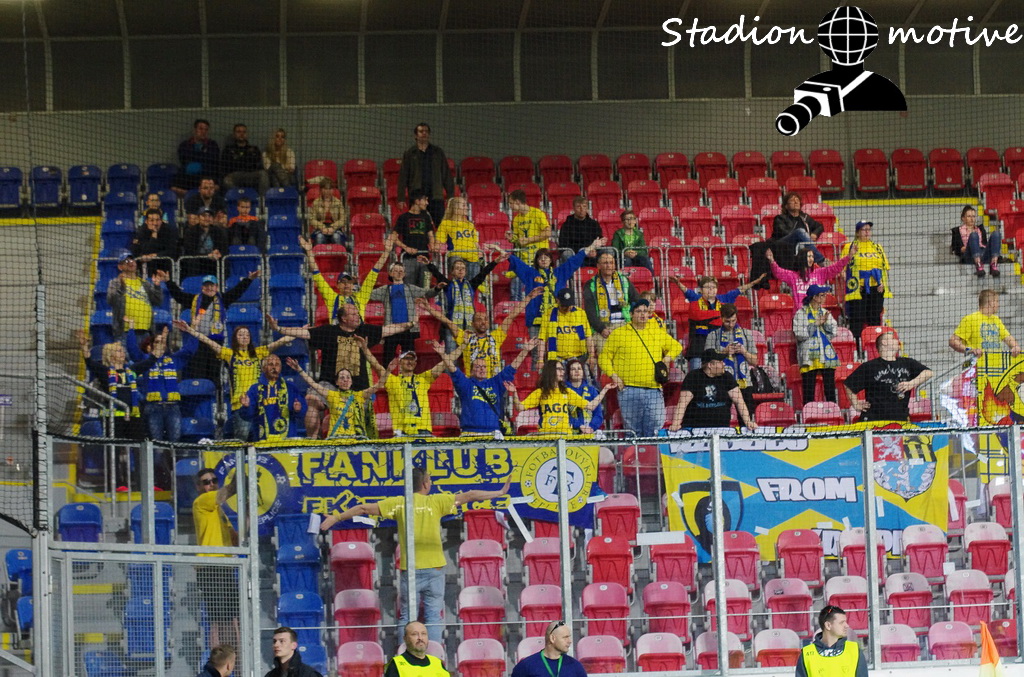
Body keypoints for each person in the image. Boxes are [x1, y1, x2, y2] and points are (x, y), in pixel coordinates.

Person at [320, 467, 510, 644]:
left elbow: (362, 508)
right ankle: (433, 657)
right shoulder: (436, 502)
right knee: (433, 616)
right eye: (430, 480)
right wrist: (499, 493)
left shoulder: (399, 504)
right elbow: (470, 495)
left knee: (407, 617)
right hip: (434, 568)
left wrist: (337, 517)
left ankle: (406, 656)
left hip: (410, 570)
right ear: (425, 483)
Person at [268, 305, 411, 435]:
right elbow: (303, 333)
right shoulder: (329, 331)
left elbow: (389, 329)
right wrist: (278, 328)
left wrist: (411, 324)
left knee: (353, 419)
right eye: (353, 314)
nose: (358, 316)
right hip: (330, 384)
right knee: (311, 401)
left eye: (357, 313)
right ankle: (312, 441)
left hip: (357, 388)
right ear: (343, 318)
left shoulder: (365, 331)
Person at [175, 321, 294, 441]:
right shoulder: (230, 354)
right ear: (235, 338)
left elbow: (280, 342)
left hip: (260, 405)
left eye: (247, 335)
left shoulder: (258, 352)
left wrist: (299, 332)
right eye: (241, 335)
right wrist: (190, 330)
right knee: (242, 441)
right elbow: (208, 341)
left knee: (262, 440)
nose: (244, 337)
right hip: (240, 405)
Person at [598, 299, 683, 438]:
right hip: (629, 390)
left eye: (645, 311)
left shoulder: (656, 332)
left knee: (656, 430)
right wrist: (614, 376)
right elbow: (604, 358)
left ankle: (653, 453)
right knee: (633, 432)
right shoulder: (619, 334)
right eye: (638, 311)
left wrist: (666, 360)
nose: (643, 314)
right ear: (631, 314)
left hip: (654, 390)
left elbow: (677, 346)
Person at [417, 290, 539, 379]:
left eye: (485, 319)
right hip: (472, 383)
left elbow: (511, 316)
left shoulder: (496, 336)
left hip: (493, 382)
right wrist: (428, 307)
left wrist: (528, 297)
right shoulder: (465, 338)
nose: (483, 322)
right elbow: (447, 321)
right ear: (473, 324)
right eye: (479, 320)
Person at [166, 271, 259, 385]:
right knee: (197, 372)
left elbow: (237, 291)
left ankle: (216, 394)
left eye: (212, 285)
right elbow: (178, 295)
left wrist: (249, 279)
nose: (209, 288)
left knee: (214, 374)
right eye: (207, 285)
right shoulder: (194, 299)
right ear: (202, 287)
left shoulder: (223, 299)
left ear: (217, 287)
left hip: (215, 344)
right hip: (198, 342)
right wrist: (168, 281)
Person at [507, 237, 606, 337]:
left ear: (551, 260)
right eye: (540, 258)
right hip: (535, 321)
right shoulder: (530, 274)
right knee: (536, 347)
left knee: (555, 346)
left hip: (556, 319)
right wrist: (505, 254)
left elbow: (574, 261)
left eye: (546, 257)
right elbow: (517, 263)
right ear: (537, 261)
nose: (543, 259)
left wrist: (592, 246)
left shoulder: (559, 273)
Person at [125, 324, 198, 460]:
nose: (161, 344)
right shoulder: (145, 360)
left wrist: (192, 329)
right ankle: (157, 470)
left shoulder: (173, 359)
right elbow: (132, 349)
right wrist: (130, 329)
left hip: (173, 407)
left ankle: (173, 469)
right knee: (156, 445)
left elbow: (190, 350)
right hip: (153, 408)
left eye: (163, 342)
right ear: (150, 346)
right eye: (157, 342)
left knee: (174, 445)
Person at [288, 348, 389, 439]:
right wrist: (299, 369)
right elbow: (312, 383)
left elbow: (379, 384)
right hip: (335, 440)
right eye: (342, 378)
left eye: (348, 377)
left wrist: (388, 370)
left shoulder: (359, 396)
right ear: (337, 382)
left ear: (351, 381)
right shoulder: (332, 395)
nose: (345, 380)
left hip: (353, 440)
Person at [446, 339, 539, 437]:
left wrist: (525, 351)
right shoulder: (466, 384)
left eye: (484, 366)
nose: (482, 369)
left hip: (493, 434)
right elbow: (453, 369)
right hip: (470, 433)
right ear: (471, 371)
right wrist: (442, 354)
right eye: (477, 367)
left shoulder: (495, 383)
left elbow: (512, 368)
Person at [193, 469, 239, 649]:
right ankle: (219, 657)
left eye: (214, 480)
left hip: (225, 565)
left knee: (233, 616)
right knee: (218, 619)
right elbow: (228, 491)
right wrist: (241, 477)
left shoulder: (220, 512)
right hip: (210, 565)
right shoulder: (201, 501)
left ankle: (234, 657)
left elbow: (235, 538)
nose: (211, 484)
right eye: (206, 482)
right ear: (199, 487)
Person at [301, 233, 391, 324]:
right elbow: (316, 273)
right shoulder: (331, 297)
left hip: (358, 332)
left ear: (353, 285)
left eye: (349, 282)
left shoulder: (361, 297)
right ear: (338, 285)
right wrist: (309, 252)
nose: (346, 284)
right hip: (337, 332)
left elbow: (374, 272)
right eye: (343, 282)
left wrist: (387, 251)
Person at [678, 275, 762, 371]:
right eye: (707, 287)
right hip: (698, 349)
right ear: (700, 290)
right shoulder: (695, 301)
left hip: (717, 348)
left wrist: (753, 283)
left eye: (713, 287)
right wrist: (719, 314)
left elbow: (738, 290)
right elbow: (696, 313)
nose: (711, 290)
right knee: (696, 376)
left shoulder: (723, 300)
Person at [508, 360, 612, 436]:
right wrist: (515, 393)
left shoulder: (566, 391)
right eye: (559, 369)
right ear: (551, 371)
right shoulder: (540, 392)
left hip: (565, 435)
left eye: (563, 369)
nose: (562, 372)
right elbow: (520, 407)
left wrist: (605, 389)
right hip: (546, 436)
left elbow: (591, 406)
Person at [845, 332, 933, 422]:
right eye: (893, 338)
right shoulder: (869, 366)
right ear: (884, 342)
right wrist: (855, 404)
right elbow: (849, 385)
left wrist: (911, 383)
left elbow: (928, 372)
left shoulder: (907, 363)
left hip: (900, 419)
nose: (897, 341)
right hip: (874, 420)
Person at [426, 251, 504, 349]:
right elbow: (437, 274)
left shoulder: (472, 284)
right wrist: (428, 264)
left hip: (470, 326)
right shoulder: (448, 285)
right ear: (452, 272)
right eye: (457, 268)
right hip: (452, 326)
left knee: (471, 353)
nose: (460, 270)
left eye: (463, 268)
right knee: (451, 353)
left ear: (466, 272)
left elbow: (484, 273)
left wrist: (495, 261)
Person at [369, 259, 442, 361]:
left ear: (404, 274)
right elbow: (367, 294)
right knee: (388, 359)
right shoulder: (384, 290)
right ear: (390, 273)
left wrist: (437, 288)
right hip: (391, 330)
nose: (399, 273)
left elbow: (427, 293)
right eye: (396, 271)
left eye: (401, 271)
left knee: (409, 359)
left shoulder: (410, 288)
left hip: (408, 329)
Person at [669, 349, 756, 431]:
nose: (724, 364)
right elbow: (682, 403)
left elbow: (739, 402)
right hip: (695, 430)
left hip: (722, 430)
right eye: (720, 362)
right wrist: (676, 424)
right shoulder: (693, 377)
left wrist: (748, 422)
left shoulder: (726, 377)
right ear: (710, 365)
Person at [384, 342, 458, 437]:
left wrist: (463, 345)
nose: (410, 362)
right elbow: (376, 365)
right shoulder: (392, 380)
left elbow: (445, 363)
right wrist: (366, 350)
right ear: (400, 362)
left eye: (412, 359)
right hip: (402, 432)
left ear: (415, 363)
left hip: (423, 430)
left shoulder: (423, 378)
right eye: (406, 358)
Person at [841, 221, 891, 344]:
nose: (867, 232)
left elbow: (884, 268)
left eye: (869, 229)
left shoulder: (877, 247)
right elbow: (842, 270)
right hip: (859, 289)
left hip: (876, 289)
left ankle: (875, 345)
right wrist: (852, 285)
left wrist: (882, 283)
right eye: (864, 229)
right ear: (858, 232)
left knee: (875, 319)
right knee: (857, 319)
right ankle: (857, 346)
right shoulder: (849, 247)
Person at [706, 303, 759, 417]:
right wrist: (724, 352)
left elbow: (755, 361)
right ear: (721, 318)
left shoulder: (747, 334)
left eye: (733, 321)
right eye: (727, 321)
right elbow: (706, 363)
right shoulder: (713, 335)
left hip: (745, 383)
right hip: (721, 383)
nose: (731, 324)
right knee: (721, 418)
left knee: (746, 419)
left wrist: (744, 352)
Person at [582, 252, 642, 353]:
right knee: (604, 353)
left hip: (624, 324)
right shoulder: (591, 285)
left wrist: (634, 321)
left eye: (611, 263)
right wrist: (601, 329)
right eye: (605, 263)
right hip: (604, 327)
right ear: (598, 266)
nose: (609, 266)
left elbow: (637, 301)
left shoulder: (624, 281)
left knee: (633, 351)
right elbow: (590, 312)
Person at [237, 355, 307, 441]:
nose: (274, 367)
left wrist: (298, 410)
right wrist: (246, 407)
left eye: (277, 364)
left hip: (287, 439)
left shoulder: (291, 387)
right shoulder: (255, 389)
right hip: (262, 441)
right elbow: (246, 417)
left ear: (280, 368)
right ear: (263, 368)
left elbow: (302, 413)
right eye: (270, 364)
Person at [398, 122, 454, 226]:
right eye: (421, 131)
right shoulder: (410, 153)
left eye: (426, 131)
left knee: (440, 225)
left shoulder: (438, 152)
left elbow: (446, 174)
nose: (424, 133)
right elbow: (403, 177)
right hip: (417, 197)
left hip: (436, 195)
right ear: (415, 135)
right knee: (418, 227)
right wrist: (401, 198)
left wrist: (450, 196)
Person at [794, 285, 839, 405]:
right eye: (822, 295)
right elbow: (799, 334)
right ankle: (808, 413)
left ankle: (832, 411)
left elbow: (834, 332)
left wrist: (825, 323)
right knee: (809, 391)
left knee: (830, 390)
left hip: (826, 355)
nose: (825, 297)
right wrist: (816, 324)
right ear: (815, 297)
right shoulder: (801, 313)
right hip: (809, 357)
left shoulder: (825, 312)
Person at [766, 245, 852, 308]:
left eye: (812, 257)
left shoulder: (820, 273)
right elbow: (778, 272)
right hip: (800, 317)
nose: (811, 259)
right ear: (802, 258)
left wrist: (848, 257)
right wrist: (772, 261)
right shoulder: (793, 276)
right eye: (809, 256)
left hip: (816, 314)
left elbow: (835, 268)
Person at [107, 251, 167, 339]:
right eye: (126, 261)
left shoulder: (144, 283)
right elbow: (111, 300)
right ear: (120, 267)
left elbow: (158, 301)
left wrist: (157, 286)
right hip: (125, 332)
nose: (130, 262)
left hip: (146, 332)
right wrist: (121, 286)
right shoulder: (115, 283)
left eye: (132, 260)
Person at [794, 605, 867, 677]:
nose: (847, 625)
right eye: (841, 622)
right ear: (828, 625)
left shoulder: (854, 650)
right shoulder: (806, 654)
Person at [949, 288, 1021, 358]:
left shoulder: (996, 320)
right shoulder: (970, 319)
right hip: (976, 364)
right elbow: (953, 341)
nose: (998, 305)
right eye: (997, 301)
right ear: (991, 303)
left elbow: (1007, 337)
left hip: (996, 364)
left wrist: (1015, 347)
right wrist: (969, 350)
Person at [540, 287, 596, 371]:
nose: (567, 308)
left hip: (579, 358)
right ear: (557, 301)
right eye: (564, 306)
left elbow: (588, 336)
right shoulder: (548, 314)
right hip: (557, 360)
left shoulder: (580, 313)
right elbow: (542, 339)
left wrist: (591, 356)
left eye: (569, 305)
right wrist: (540, 360)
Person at [510, 621, 587, 677]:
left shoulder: (576, 666)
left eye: (569, 637)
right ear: (552, 638)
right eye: (565, 637)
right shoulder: (525, 666)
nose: (570, 641)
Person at [392, 189, 435, 287]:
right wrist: (406, 248)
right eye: (425, 200)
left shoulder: (426, 217)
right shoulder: (403, 217)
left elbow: (431, 235)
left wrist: (432, 245)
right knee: (409, 289)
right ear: (417, 201)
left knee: (425, 288)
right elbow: (393, 237)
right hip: (409, 259)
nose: (427, 203)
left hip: (425, 259)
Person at [771, 192, 826, 266]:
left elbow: (820, 226)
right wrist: (802, 236)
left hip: (801, 247)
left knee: (801, 237)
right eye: (792, 200)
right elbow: (783, 233)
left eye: (797, 200)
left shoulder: (805, 217)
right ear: (786, 206)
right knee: (800, 232)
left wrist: (815, 233)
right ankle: (821, 261)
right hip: (783, 245)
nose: (796, 202)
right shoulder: (780, 218)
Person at [434, 196, 482, 280]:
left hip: (472, 257)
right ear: (455, 208)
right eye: (463, 205)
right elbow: (439, 241)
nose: (466, 208)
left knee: (472, 285)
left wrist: (479, 252)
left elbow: (475, 242)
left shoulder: (470, 224)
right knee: (459, 283)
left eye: (466, 205)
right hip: (456, 257)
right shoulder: (446, 223)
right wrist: (435, 249)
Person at [950, 205, 1002, 277]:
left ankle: (994, 264)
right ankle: (978, 265)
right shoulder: (957, 231)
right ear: (963, 218)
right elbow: (955, 249)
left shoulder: (980, 229)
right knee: (974, 235)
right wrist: (965, 248)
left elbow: (985, 244)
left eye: (973, 216)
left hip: (983, 254)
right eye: (969, 216)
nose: (972, 219)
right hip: (969, 255)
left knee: (996, 234)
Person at [173, 119, 220, 197]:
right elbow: (184, 159)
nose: (203, 131)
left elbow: (212, 160)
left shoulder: (212, 144)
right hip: (188, 177)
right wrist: (202, 155)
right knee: (174, 185)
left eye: (206, 129)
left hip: (206, 175)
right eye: (200, 129)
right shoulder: (185, 145)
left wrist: (197, 158)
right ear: (195, 130)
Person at [507, 189, 553, 267]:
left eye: (511, 203)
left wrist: (528, 240)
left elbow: (547, 233)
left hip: (540, 257)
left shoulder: (537, 213)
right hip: (524, 259)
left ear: (517, 202)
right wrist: (511, 238)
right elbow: (518, 239)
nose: (510, 206)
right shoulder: (516, 219)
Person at [182, 206, 229, 278]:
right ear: (198, 217)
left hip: (214, 260)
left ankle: (221, 283)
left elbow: (224, 248)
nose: (207, 218)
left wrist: (219, 253)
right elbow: (189, 250)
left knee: (223, 262)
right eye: (204, 216)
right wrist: (207, 255)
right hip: (198, 260)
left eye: (209, 216)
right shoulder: (191, 232)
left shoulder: (218, 231)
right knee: (192, 262)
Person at [221, 123, 268, 194]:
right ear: (234, 134)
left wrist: (240, 160)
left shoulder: (254, 149)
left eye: (244, 132)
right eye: (239, 132)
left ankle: (262, 199)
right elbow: (226, 168)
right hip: (235, 176)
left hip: (250, 176)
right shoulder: (228, 150)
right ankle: (238, 197)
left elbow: (258, 165)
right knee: (226, 180)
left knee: (263, 174)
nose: (242, 134)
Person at [565, 358, 606, 434]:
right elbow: (563, 416)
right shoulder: (563, 391)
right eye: (573, 369)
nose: (577, 371)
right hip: (569, 432)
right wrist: (579, 426)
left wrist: (591, 427)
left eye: (579, 368)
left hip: (590, 431)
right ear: (568, 373)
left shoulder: (592, 390)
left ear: (583, 372)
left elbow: (598, 414)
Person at [131, 208, 178, 274]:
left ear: (161, 221)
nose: (155, 223)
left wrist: (156, 255)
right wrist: (154, 235)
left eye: (157, 220)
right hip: (147, 267)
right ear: (146, 221)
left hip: (165, 265)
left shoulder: (169, 230)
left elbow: (173, 251)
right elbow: (140, 251)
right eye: (152, 220)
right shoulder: (142, 231)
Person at [559, 196, 603, 266]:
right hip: (575, 254)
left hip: (593, 252)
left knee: (609, 251)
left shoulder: (594, 224)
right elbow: (563, 245)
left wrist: (596, 248)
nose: (581, 209)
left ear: (587, 208)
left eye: (584, 206)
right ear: (574, 208)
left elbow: (599, 239)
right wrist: (584, 252)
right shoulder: (567, 225)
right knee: (566, 254)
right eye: (578, 207)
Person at [308, 178, 348, 248]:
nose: (328, 191)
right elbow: (312, 219)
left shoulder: (338, 202)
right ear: (321, 190)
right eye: (325, 189)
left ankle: (341, 254)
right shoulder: (316, 203)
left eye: (330, 189)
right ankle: (316, 255)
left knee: (336, 237)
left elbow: (343, 219)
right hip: (320, 228)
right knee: (320, 237)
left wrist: (333, 227)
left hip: (335, 228)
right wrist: (322, 227)